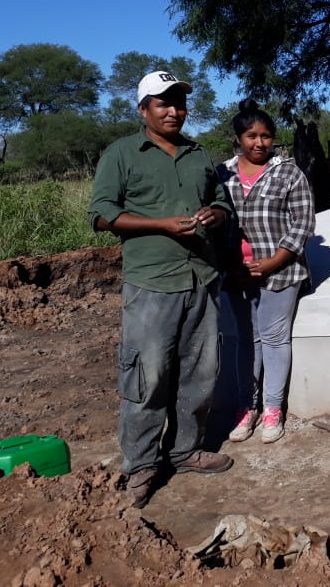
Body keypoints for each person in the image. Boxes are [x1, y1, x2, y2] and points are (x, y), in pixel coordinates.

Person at [88, 70, 234, 509]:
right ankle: (141, 465)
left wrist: (216, 215)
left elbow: (223, 200)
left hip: (202, 279)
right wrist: (159, 225)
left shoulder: (198, 153)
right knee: (147, 377)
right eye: (163, 103)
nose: (174, 111)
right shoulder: (121, 154)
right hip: (152, 283)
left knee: (200, 373)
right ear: (143, 110)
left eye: (179, 103)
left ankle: (185, 451)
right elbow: (101, 215)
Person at [218, 100, 316, 445]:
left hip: (280, 272)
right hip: (235, 273)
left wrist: (275, 260)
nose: (259, 143)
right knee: (247, 341)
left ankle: (273, 408)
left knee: (274, 339)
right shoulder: (222, 174)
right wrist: (231, 263)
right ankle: (248, 407)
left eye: (266, 136)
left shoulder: (288, 173)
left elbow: (304, 222)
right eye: (251, 136)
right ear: (238, 138)